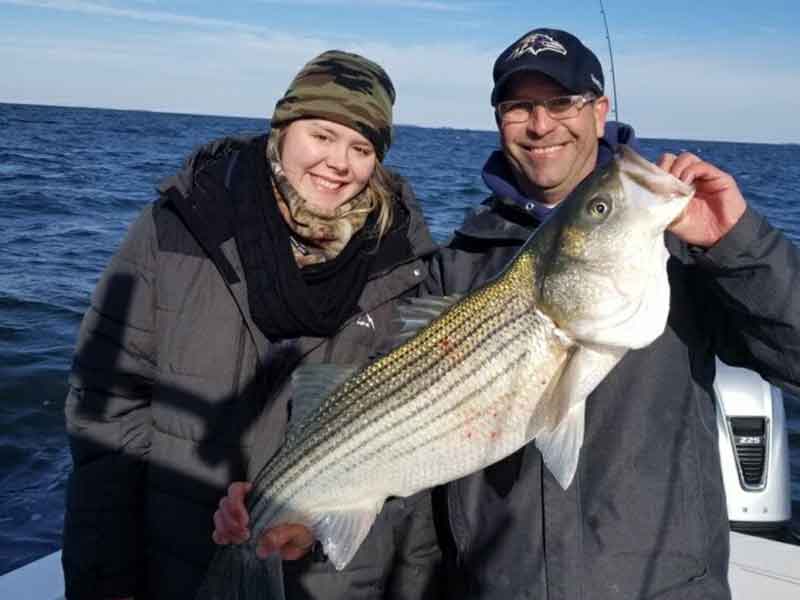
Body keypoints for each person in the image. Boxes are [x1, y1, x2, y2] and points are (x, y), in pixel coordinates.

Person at [424, 27, 800, 599]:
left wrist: (737, 244)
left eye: (561, 102)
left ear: (599, 112)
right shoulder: (457, 261)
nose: (541, 124)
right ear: (499, 120)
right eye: (519, 106)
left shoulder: (682, 244)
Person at [62, 50, 441, 600]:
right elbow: (108, 410)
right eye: (322, 135)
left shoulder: (402, 264)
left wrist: (320, 520)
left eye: (361, 149)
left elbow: (410, 447)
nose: (339, 162)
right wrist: (105, 580)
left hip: (329, 581)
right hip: (177, 565)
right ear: (283, 129)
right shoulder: (182, 225)